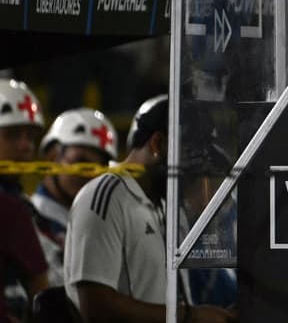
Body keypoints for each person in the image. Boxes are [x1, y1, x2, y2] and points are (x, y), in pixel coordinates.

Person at [63, 95, 237, 322]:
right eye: (191, 159)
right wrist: (188, 317)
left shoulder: (166, 204)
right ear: (157, 144)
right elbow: (95, 306)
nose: (195, 173)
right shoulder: (104, 195)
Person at [31, 108, 118, 287]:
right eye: (81, 161)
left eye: (100, 168)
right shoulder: (27, 218)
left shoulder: (102, 223)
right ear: (51, 158)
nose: (90, 174)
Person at [0, 79, 49, 323]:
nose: (25, 146)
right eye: (11, 135)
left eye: (30, 136)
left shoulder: (21, 202)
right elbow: (40, 288)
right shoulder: (12, 207)